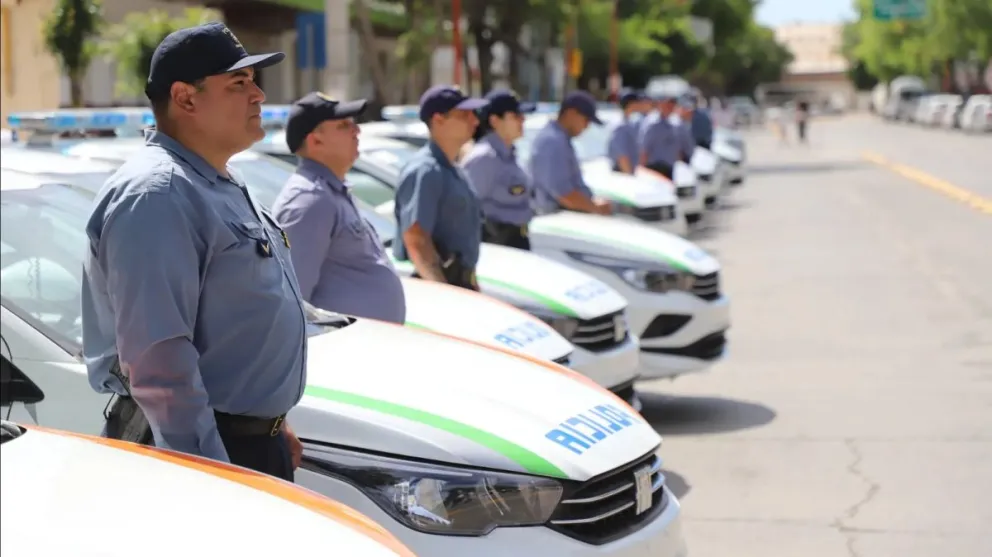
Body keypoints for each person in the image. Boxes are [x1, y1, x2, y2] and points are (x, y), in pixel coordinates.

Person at [80, 22, 305, 482]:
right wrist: (210, 476)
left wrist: (272, 423)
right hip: (204, 453)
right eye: (238, 83)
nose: (258, 95)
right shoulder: (158, 195)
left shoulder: (217, 179)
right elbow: (160, 365)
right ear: (185, 98)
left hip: (246, 442)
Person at [271, 92, 406, 324]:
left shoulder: (330, 192)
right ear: (315, 141)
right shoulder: (310, 199)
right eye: (344, 125)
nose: (357, 131)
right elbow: (293, 301)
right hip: (342, 343)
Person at [393, 85, 488, 290]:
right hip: (440, 285)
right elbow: (416, 240)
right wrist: (444, 294)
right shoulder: (425, 170)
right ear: (438, 120)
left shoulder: (453, 169)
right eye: (464, 115)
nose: (475, 121)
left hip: (459, 282)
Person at [460, 89, 536, 250]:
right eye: (515, 116)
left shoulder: (510, 155)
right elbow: (464, 210)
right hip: (495, 244)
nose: (523, 120)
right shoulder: (484, 158)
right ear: (495, 121)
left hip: (517, 239)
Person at [528, 90, 613, 216]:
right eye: (586, 120)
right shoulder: (553, 141)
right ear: (571, 113)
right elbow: (564, 193)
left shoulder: (559, 139)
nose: (586, 126)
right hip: (556, 217)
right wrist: (595, 208)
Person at [638, 94, 682, 179]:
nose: (670, 108)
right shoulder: (653, 123)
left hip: (669, 167)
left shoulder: (673, 123)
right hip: (654, 167)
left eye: (672, 106)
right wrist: (642, 170)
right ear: (661, 105)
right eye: (667, 105)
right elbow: (644, 149)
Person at [607, 88, 650, 174]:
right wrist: (629, 176)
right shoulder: (620, 126)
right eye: (637, 102)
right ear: (631, 104)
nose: (640, 105)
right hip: (623, 173)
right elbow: (621, 156)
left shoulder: (630, 123)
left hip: (629, 171)